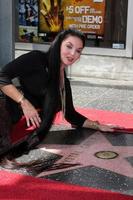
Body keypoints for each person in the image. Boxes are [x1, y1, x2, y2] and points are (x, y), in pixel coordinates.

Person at [0, 28, 115, 158]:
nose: (73, 54)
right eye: (69, 46)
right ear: (58, 44)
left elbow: (70, 114)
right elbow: (2, 76)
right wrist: (24, 102)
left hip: (14, 121)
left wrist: (97, 125)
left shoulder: (63, 83)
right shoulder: (36, 58)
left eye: (78, 51)